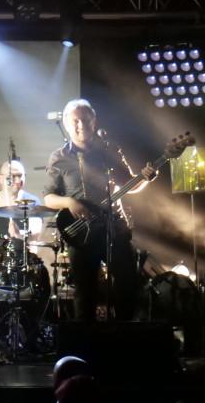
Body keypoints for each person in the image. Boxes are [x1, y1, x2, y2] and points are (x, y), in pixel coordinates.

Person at [42, 98, 155, 321]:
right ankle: (86, 346)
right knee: (85, 293)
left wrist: (147, 179)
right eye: (75, 121)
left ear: (94, 122)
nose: (81, 125)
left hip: (114, 228)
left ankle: (125, 339)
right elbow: (48, 198)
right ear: (66, 124)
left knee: (126, 286)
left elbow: (129, 185)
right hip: (81, 233)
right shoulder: (59, 157)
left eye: (85, 120)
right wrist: (70, 203)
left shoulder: (110, 151)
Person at [0, 158, 42, 239]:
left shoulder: (33, 202)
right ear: (0, 179)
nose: (17, 180)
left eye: (20, 176)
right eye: (12, 176)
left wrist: (19, 236)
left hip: (20, 250)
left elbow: (35, 238)